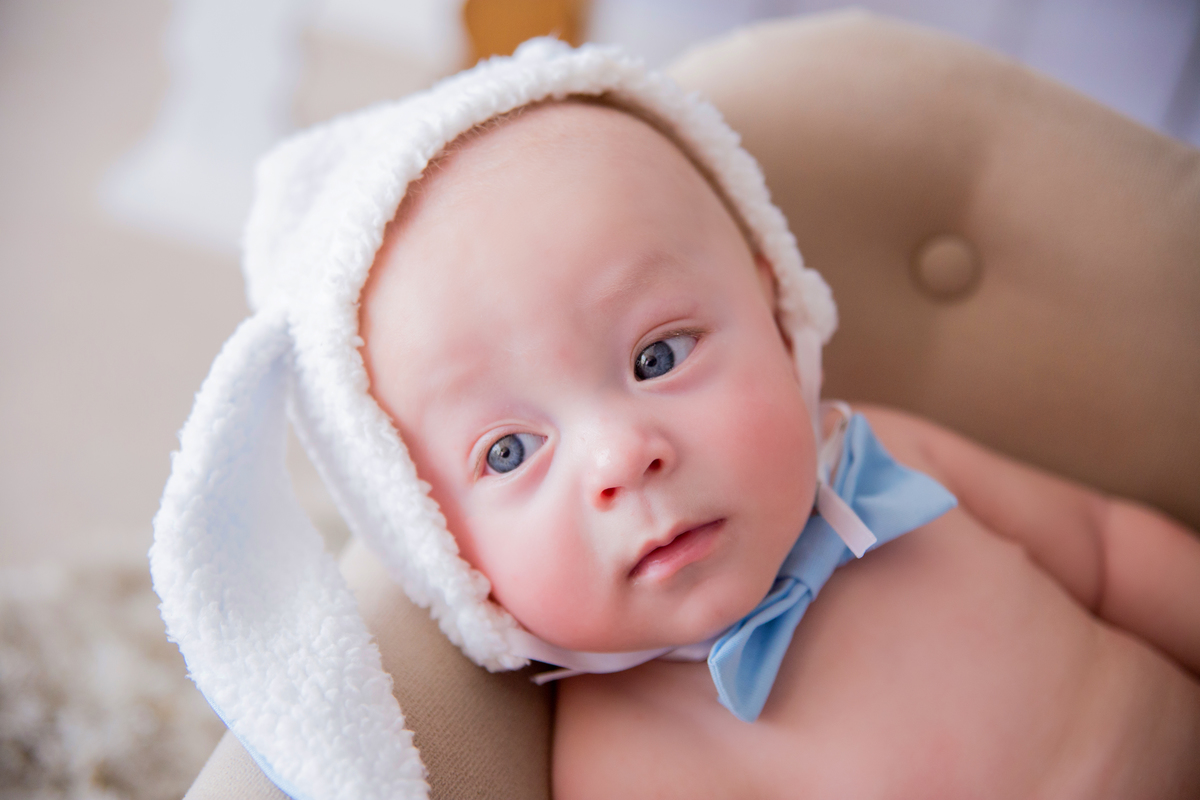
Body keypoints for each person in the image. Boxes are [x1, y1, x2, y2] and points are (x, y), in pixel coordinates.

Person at [151, 40, 1200, 800]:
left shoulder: (883, 460)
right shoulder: (626, 764)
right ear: (437, 547)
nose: (622, 454)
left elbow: (1108, 552)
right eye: (509, 450)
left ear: (773, 307)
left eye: (659, 355)